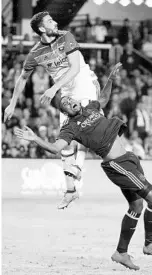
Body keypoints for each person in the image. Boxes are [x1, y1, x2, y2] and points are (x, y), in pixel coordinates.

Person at [15, 72, 152, 271]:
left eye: (70, 99)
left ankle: (121, 253)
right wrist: (35, 138)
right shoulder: (70, 127)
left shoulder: (90, 108)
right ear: (65, 111)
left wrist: (111, 79)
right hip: (117, 164)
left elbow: (103, 99)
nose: (70, 101)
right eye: (65, 104)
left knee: (137, 206)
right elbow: (56, 148)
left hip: (129, 158)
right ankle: (149, 244)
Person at [4, 11, 102, 209]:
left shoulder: (66, 36)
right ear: (41, 28)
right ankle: (71, 190)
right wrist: (12, 103)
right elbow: (23, 78)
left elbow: (74, 69)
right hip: (66, 91)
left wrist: (53, 88)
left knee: (84, 129)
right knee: (64, 142)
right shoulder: (35, 53)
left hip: (84, 83)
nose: (55, 22)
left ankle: (77, 169)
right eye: (50, 21)